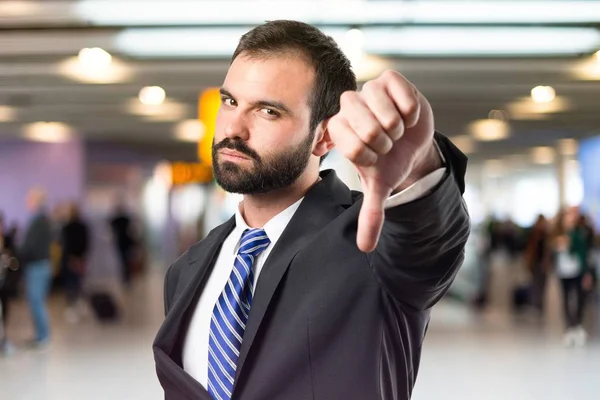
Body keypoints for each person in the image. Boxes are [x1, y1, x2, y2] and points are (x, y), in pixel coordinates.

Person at [153, 21, 469, 400]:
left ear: (324, 136)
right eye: (230, 101)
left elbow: (428, 241)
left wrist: (418, 164)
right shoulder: (186, 270)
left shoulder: (370, 247)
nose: (233, 128)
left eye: (268, 111)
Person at [552, 210, 592, 347]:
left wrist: (587, 273)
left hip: (577, 271)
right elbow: (552, 252)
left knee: (579, 299)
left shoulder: (579, 234)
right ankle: (569, 328)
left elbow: (584, 252)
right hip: (563, 272)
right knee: (566, 299)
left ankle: (577, 325)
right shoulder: (556, 234)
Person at [19, 188, 53, 347]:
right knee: (36, 301)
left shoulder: (39, 221)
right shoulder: (41, 219)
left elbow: (31, 246)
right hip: (38, 264)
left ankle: (43, 337)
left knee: (36, 301)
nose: (27, 202)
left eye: (29, 199)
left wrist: (18, 254)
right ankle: (40, 335)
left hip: (38, 265)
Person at [60, 203, 90, 323]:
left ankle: (73, 306)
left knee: (72, 283)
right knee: (79, 281)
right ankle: (80, 304)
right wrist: (81, 256)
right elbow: (86, 243)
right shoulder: (83, 227)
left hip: (71, 258)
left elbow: (66, 245)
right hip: (80, 257)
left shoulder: (67, 227)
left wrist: (72, 258)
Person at [525, 214, 551, 314]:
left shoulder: (545, 234)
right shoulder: (534, 234)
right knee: (536, 284)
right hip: (535, 262)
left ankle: (540, 305)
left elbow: (547, 250)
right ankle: (535, 304)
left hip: (542, 262)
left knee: (542, 285)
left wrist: (547, 261)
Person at [109, 200, 134, 286]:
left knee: (125, 260)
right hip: (123, 242)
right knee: (124, 260)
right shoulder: (124, 219)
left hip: (123, 242)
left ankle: (127, 277)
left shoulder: (121, 220)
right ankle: (126, 277)